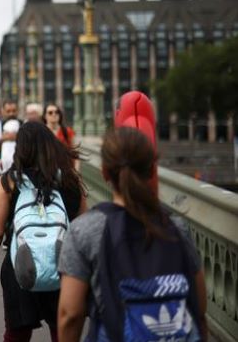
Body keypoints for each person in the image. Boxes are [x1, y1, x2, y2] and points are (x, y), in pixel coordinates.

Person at [57, 127, 207, 341]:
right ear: (151, 169)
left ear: (104, 172)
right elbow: (199, 308)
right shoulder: (176, 227)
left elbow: (70, 315)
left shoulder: (86, 230)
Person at [0, 122, 86, 341]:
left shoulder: (9, 182)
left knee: (16, 333)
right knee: (63, 331)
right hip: (63, 267)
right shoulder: (71, 180)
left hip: (20, 267)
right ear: (52, 146)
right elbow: (82, 230)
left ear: (21, 148)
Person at [0, 100, 21, 175]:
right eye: (8, 111)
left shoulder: (24, 125)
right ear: (3, 112)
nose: (11, 114)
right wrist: (2, 139)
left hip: (21, 170)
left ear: (18, 111)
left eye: (14, 111)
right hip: (3, 171)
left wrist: (18, 137)